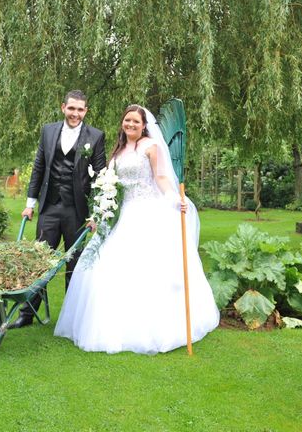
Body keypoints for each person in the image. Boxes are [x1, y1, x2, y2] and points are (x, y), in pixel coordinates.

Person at [54, 104, 219, 353]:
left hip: (148, 211)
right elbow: (109, 186)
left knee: (148, 269)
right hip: (125, 212)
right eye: (127, 120)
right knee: (106, 264)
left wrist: (175, 199)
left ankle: (155, 326)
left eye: (136, 122)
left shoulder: (150, 147)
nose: (130, 124)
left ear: (144, 126)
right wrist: (99, 213)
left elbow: (161, 177)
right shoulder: (118, 150)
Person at [11, 90, 106, 328]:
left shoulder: (95, 136)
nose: (75, 113)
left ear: (86, 111)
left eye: (80, 109)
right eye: (71, 108)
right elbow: (39, 167)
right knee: (39, 261)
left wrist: (95, 213)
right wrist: (30, 205)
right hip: (50, 207)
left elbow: (101, 178)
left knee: (73, 264)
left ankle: (71, 316)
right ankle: (27, 313)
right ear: (63, 107)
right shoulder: (48, 131)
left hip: (77, 211)